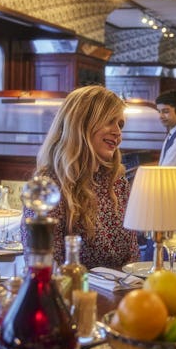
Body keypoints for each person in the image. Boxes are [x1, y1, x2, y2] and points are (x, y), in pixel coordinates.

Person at [21, 85, 139, 270]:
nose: (118, 133)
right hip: (72, 295)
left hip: (122, 295)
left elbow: (133, 255)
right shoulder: (48, 188)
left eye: (120, 125)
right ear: (80, 124)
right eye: (109, 121)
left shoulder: (117, 183)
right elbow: (44, 267)